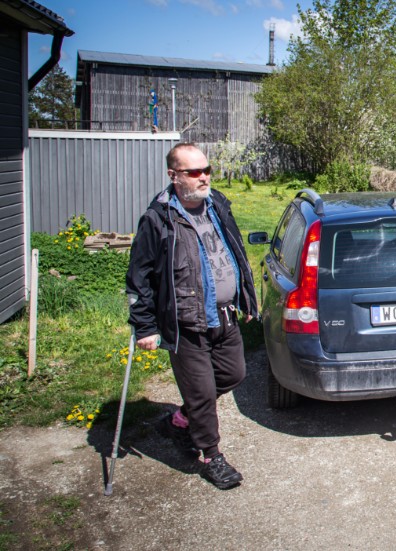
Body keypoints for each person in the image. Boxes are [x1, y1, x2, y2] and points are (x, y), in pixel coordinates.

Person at [126, 143, 258, 490]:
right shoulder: (158, 220)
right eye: (194, 172)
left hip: (225, 316)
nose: (203, 177)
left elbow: (236, 251)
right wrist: (145, 325)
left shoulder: (217, 205)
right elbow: (139, 277)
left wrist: (244, 296)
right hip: (187, 324)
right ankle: (211, 456)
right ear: (174, 175)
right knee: (202, 394)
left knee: (234, 374)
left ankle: (180, 419)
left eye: (206, 170)